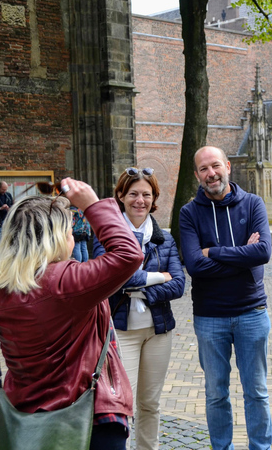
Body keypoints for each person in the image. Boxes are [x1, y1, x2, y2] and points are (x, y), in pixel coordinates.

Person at [0, 179, 144, 449]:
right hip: (85, 417)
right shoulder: (63, 282)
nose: (72, 237)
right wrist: (93, 205)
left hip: (27, 416)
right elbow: (128, 255)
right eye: (69, 231)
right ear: (55, 237)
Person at [179, 146, 272, 450]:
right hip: (210, 317)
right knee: (216, 393)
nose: (211, 174)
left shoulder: (253, 204)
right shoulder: (189, 213)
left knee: (256, 391)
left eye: (215, 166)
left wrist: (213, 253)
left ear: (228, 167)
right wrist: (241, 258)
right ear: (196, 175)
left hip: (252, 312)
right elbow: (194, 265)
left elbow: (263, 252)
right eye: (204, 169)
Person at [94, 167, 185, 450]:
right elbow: (110, 277)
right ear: (120, 195)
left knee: (151, 403)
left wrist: (141, 292)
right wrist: (157, 277)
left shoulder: (164, 239)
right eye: (133, 193)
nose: (140, 200)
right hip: (121, 331)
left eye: (146, 194)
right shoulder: (106, 235)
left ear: (154, 198)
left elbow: (179, 285)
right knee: (123, 402)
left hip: (158, 331)